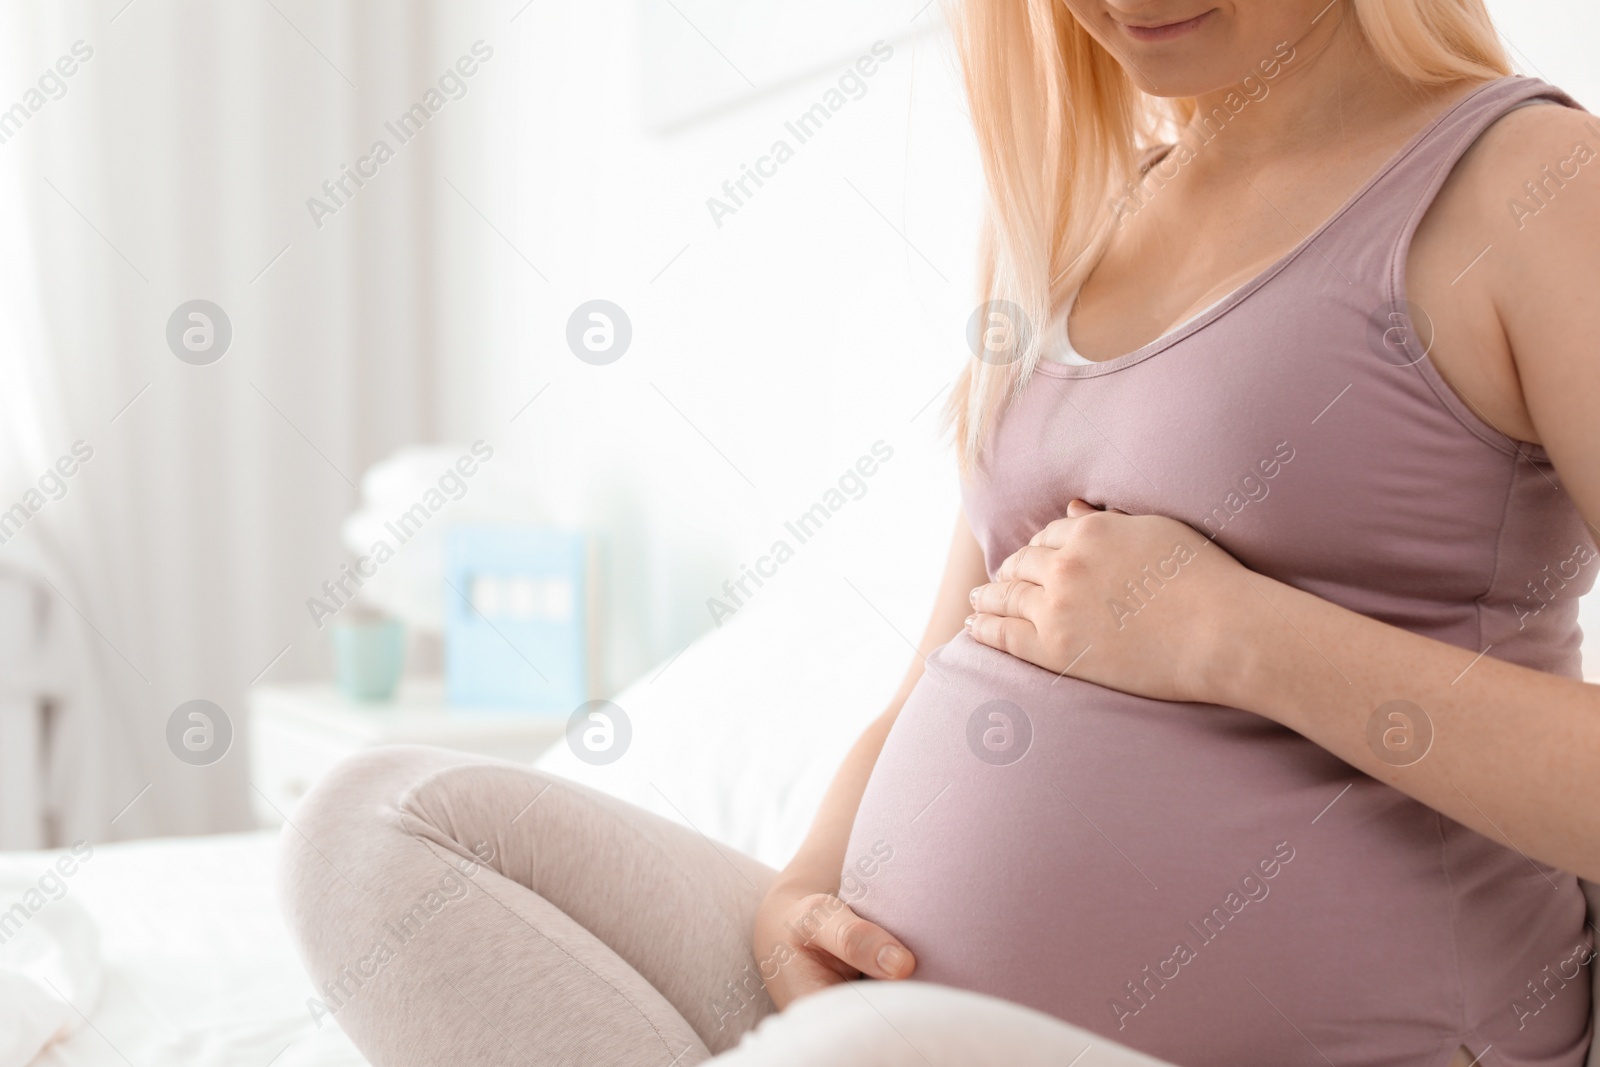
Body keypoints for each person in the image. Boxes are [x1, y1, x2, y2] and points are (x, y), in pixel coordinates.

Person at [282, 2, 1600, 1064]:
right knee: (380, 830)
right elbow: (939, 670)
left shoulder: (1532, 187)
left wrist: (1234, 637)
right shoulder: (1078, 224)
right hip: (909, 1022)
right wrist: (799, 888)